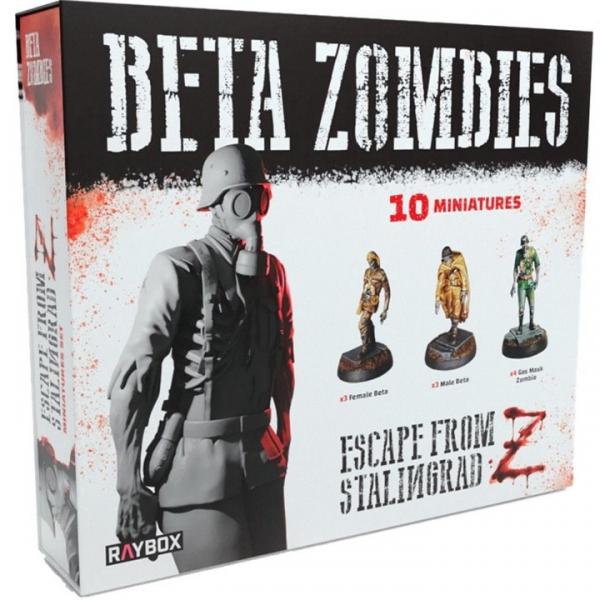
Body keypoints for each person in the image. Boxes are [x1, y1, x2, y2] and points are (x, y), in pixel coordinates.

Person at [108, 144, 294, 571]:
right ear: (220, 201)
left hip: (263, 465)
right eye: (245, 197)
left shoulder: (273, 274)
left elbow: (283, 359)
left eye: (261, 196)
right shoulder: (178, 269)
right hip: (198, 476)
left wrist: (283, 437)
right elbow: (134, 379)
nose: (254, 209)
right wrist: (128, 487)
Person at [356, 251, 390, 356]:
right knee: (368, 323)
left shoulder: (381, 274)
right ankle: (371, 341)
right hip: (364, 300)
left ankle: (365, 347)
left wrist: (385, 310)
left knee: (362, 324)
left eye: (372, 261)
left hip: (372, 302)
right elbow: (364, 286)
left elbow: (387, 292)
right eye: (368, 261)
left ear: (376, 260)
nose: (370, 263)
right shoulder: (367, 272)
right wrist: (361, 300)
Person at [435, 246, 470, 341]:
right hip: (448, 291)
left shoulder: (458, 264)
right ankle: (453, 326)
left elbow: (464, 276)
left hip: (457, 289)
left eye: (447, 258)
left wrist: (464, 289)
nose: (445, 260)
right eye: (444, 258)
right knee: (450, 310)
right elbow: (440, 283)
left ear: (450, 257)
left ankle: (454, 331)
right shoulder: (443, 267)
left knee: (456, 309)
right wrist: (437, 298)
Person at [510, 234, 540, 334]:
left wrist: (537, 279)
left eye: (526, 243)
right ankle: (520, 327)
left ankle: (531, 323)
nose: (524, 246)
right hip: (522, 283)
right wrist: (513, 284)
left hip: (530, 282)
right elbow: (515, 268)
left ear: (528, 242)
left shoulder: (533, 251)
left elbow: (537, 264)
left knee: (532, 306)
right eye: (523, 244)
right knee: (521, 308)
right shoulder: (518, 254)